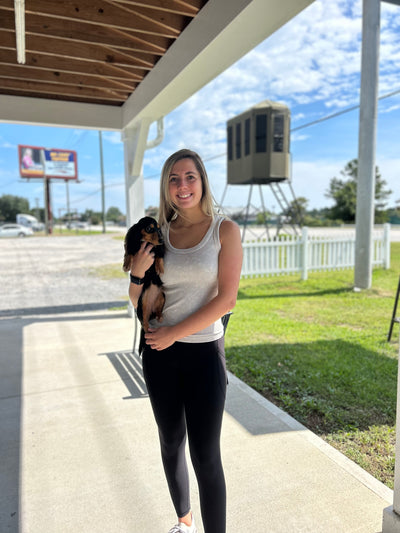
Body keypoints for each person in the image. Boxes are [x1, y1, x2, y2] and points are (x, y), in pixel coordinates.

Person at [128, 149, 243, 533]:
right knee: (170, 441)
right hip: (160, 356)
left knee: (206, 455)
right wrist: (137, 275)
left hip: (203, 355)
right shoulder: (159, 233)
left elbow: (226, 299)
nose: (182, 186)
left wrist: (174, 334)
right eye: (174, 179)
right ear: (166, 186)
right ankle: (184, 521)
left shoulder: (223, 230)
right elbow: (142, 301)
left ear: (202, 181)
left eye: (190, 177)